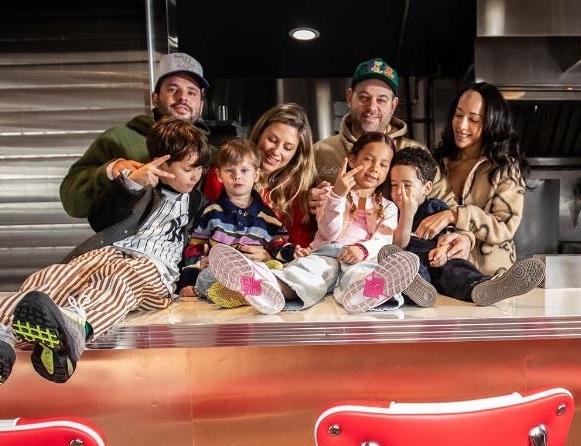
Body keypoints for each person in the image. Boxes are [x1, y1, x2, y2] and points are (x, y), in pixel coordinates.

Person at [0, 118, 209, 395]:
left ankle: (74, 327)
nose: (196, 175)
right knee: (53, 277)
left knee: (121, 281)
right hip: (108, 252)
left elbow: (199, 242)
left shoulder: (198, 202)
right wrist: (131, 185)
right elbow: (101, 219)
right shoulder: (139, 184)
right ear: (163, 163)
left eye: (200, 168)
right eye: (188, 168)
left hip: (155, 269)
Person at [207, 131, 420, 316]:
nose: (375, 168)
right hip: (324, 252)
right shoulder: (329, 193)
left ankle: (369, 294)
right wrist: (338, 195)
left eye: (383, 164)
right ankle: (264, 286)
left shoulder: (388, 207)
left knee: (362, 274)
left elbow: (384, 240)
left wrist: (362, 249)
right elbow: (329, 232)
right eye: (369, 159)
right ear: (352, 160)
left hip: (360, 259)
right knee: (305, 274)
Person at [413, 81, 544, 288]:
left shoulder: (505, 168)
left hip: (492, 279)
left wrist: (456, 215)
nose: (462, 125)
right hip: (440, 276)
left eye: (473, 119)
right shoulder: (439, 162)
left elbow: (504, 226)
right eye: (458, 115)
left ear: (493, 123)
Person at [381, 145, 545, 308]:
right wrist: (407, 214)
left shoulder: (435, 207)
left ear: (427, 188)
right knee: (407, 267)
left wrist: (443, 252)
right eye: (394, 185)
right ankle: (418, 292)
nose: (399, 192)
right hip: (414, 264)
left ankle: (485, 287)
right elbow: (398, 245)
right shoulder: (390, 210)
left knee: (457, 269)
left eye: (407, 185)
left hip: (440, 260)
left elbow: (449, 236)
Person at [59, 52, 212, 222]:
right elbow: (72, 202)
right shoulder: (118, 139)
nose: (183, 97)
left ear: (201, 104)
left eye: (192, 92)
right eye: (172, 89)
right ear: (155, 98)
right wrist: (111, 171)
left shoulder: (213, 151)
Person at [179, 138, 293, 300]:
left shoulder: (266, 217)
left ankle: (248, 293)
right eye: (230, 171)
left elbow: (277, 244)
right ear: (219, 175)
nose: (237, 177)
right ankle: (244, 294)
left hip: (254, 271)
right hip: (221, 274)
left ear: (256, 175)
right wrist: (188, 280)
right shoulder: (210, 212)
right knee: (207, 277)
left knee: (275, 267)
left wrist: (293, 252)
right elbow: (194, 248)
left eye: (244, 171)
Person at [202, 102, 318, 249]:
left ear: (297, 154)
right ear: (259, 134)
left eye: (287, 148)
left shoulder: (298, 191)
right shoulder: (223, 175)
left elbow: (299, 248)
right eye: (272, 140)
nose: (276, 151)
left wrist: (268, 257)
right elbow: (206, 228)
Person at [311, 57, 421, 185]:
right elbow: (291, 199)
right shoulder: (319, 152)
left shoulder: (415, 153)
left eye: (381, 100)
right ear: (349, 98)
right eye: (364, 98)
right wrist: (308, 200)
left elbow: (445, 202)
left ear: (393, 105)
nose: (372, 107)